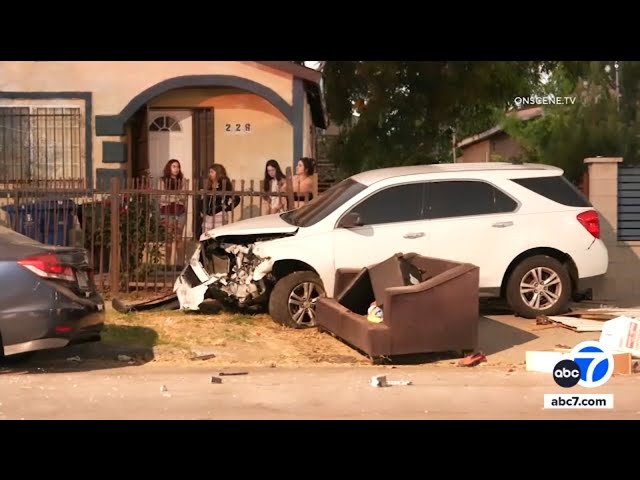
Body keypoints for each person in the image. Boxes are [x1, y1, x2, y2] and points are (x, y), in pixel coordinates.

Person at [159, 159, 187, 267]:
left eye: (178, 167)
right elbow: (162, 197)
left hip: (180, 211)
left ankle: (180, 263)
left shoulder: (182, 180)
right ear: (169, 168)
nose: (176, 169)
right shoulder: (163, 180)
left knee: (179, 237)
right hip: (167, 211)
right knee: (169, 238)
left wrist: (173, 197)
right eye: (174, 166)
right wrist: (175, 197)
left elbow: (183, 197)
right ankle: (167, 264)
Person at [203, 164, 241, 231]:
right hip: (208, 215)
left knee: (218, 235)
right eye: (209, 172)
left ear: (218, 172)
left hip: (219, 214)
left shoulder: (225, 184)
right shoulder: (210, 184)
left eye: (212, 172)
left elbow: (236, 198)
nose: (210, 174)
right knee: (207, 236)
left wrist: (227, 207)